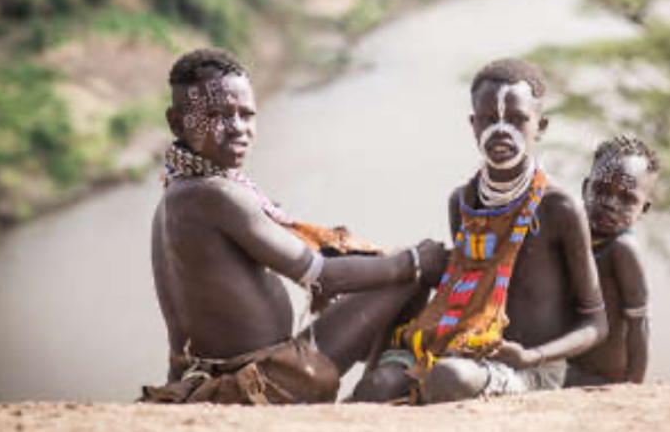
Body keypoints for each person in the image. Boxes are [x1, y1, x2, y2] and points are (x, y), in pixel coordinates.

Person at [141, 48, 447, 405]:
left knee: (389, 268)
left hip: (215, 376)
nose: (238, 127)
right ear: (177, 123)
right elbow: (321, 275)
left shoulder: (175, 195)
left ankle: (375, 389)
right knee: (406, 273)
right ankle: (375, 397)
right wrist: (415, 260)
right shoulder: (217, 194)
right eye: (217, 115)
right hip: (263, 381)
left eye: (246, 114)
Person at [354, 58, 608, 404]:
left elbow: (596, 324)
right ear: (473, 125)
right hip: (460, 348)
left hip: (529, 368)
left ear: (541, 126)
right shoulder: (463, 203)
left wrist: (532, 357)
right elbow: (468, 289)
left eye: (517, 119)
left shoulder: (559, 209)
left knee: (448, 377)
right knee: (379, 384)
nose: (502, 129)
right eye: (490, 119)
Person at [565, 134, 660, 386]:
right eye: (601, 190)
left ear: (643, 209)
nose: (610, 204)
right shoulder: (571, 240)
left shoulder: (622, 250)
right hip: (566, 372)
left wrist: (634, 387)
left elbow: (639, 324)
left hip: (603, 382)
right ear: (586, 188)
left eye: (627, 199)